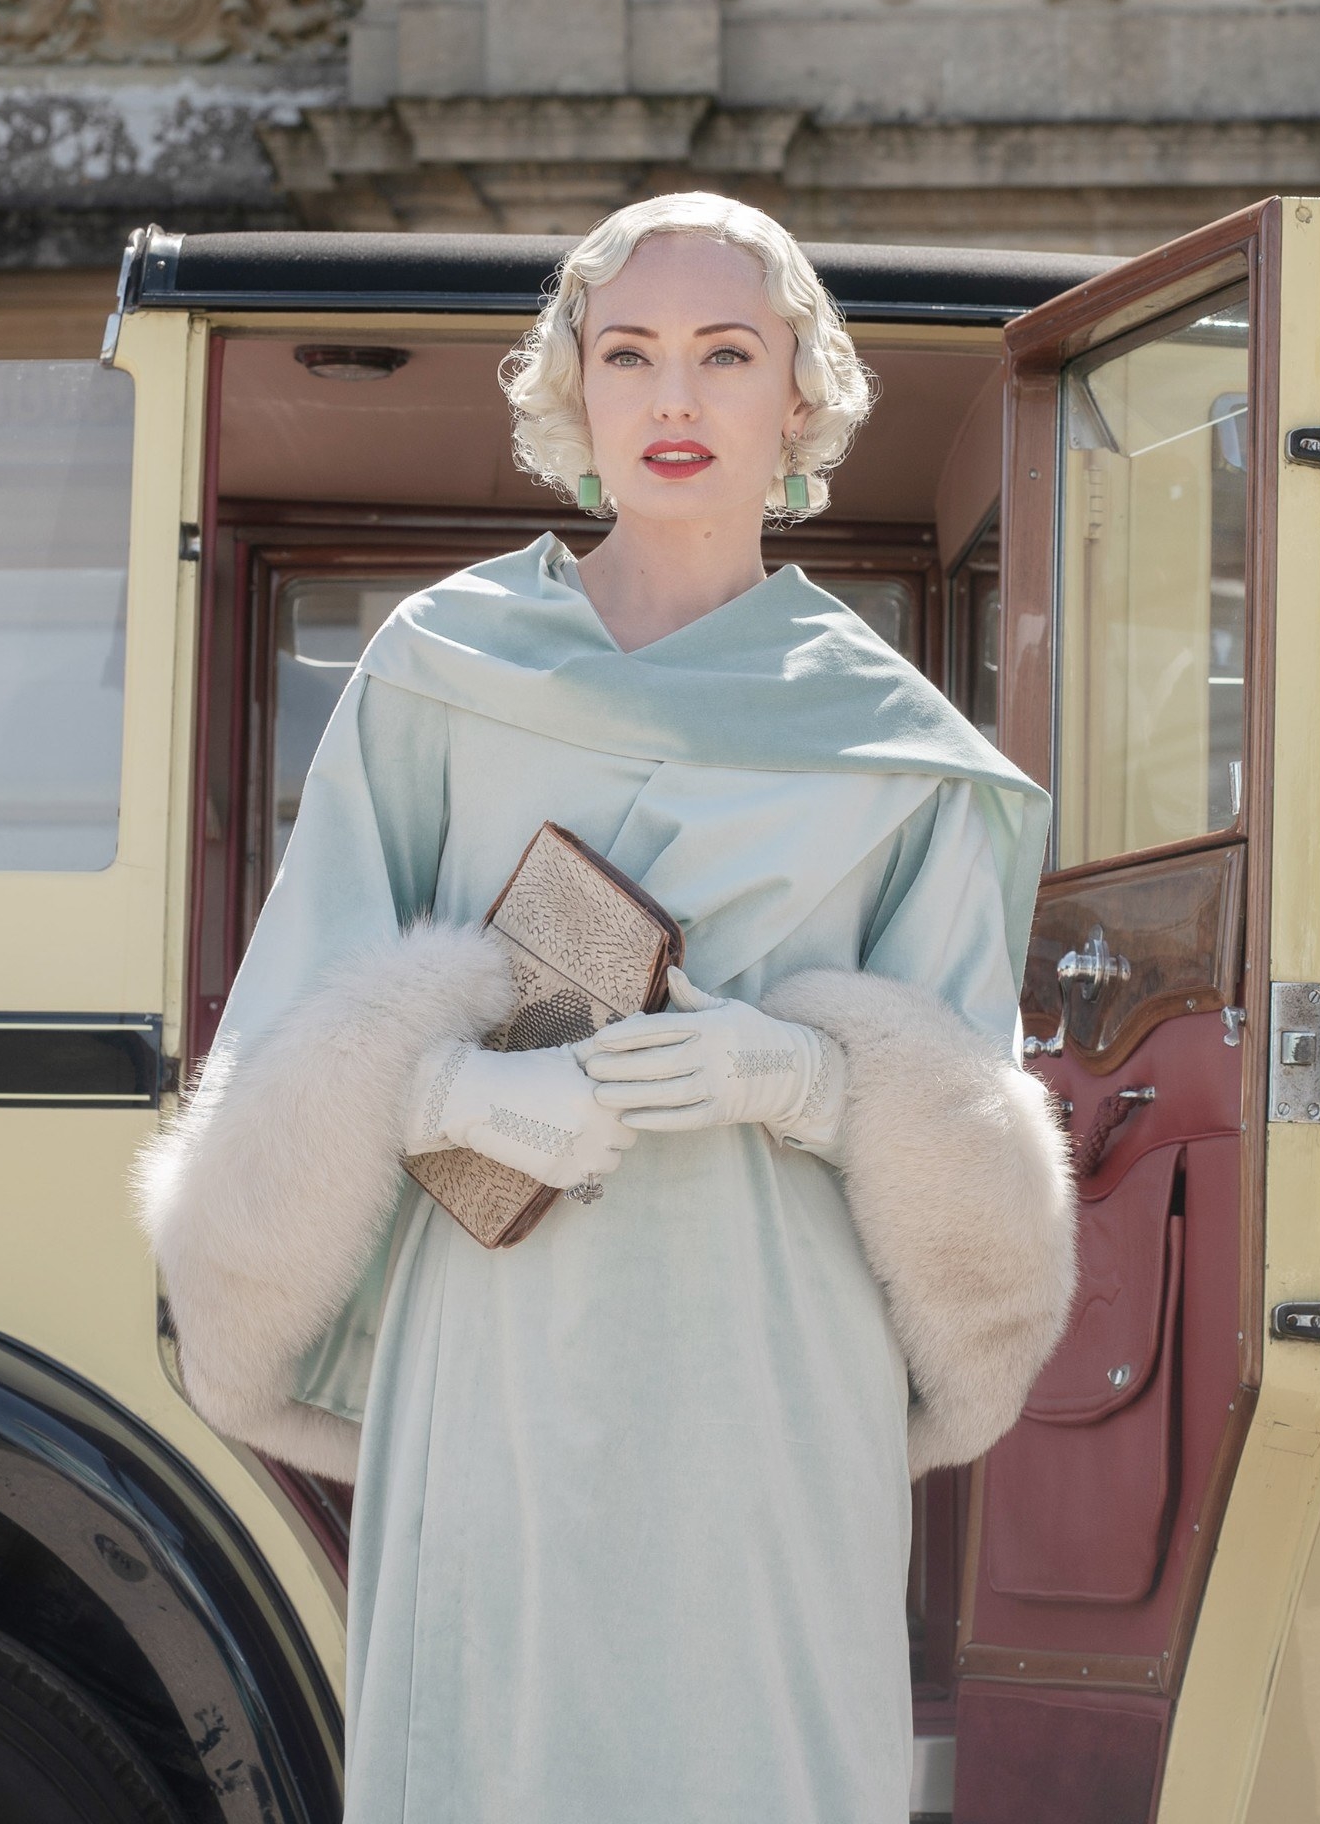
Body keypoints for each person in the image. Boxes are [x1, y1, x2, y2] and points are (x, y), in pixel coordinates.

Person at [134, 192, 1075, 1822]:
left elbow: (972, 1133)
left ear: (801, 399)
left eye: (727, 354)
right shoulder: (437, 668)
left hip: (774, 1360)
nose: (675, 398)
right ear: (574, 394)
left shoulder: (901, 743)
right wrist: (438, 1099)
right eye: (627, 354)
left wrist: (810, 1081)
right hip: (498, 1334)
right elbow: (296, 1022)